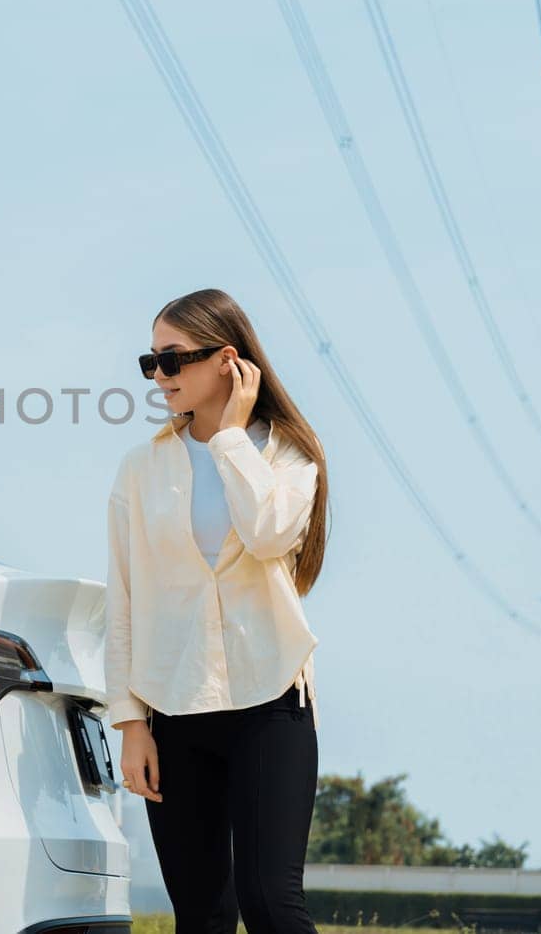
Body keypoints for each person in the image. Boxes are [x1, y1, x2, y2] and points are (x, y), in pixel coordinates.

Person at [104, 287, 330, 934]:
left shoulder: (288, 456)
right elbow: (123, 598)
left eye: (172, 360)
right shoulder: (138, 469)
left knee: (270, 903)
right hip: (172, 712)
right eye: (150, 363)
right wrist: (131, 723)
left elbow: (267, 535)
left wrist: (231, 437)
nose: (158, 377)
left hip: (271, 702)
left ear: (227, 361)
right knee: (201, 916)